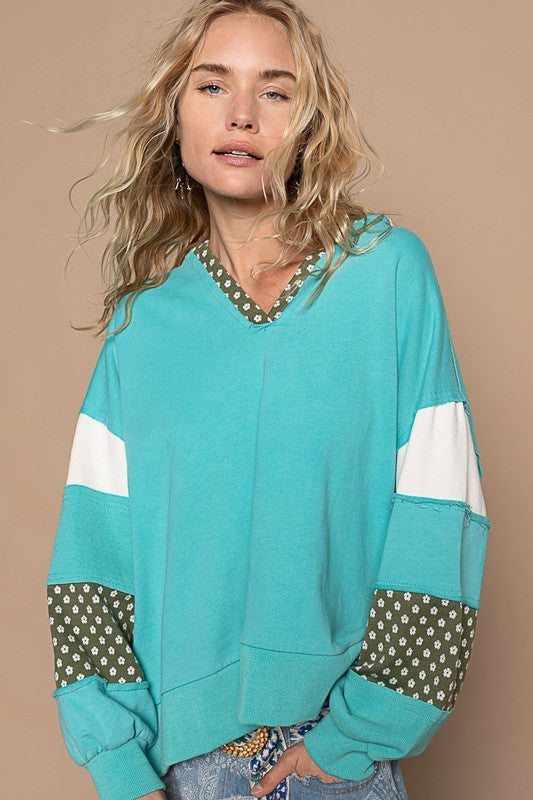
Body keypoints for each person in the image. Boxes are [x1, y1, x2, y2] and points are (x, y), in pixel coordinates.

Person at [44, 1, 491, 799]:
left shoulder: (386, 274)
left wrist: (359, 733)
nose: (242, 115)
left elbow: (440, 511)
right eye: (213, 85)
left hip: (334, 753)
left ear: (309, 122)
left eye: (275, 91)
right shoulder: (144, 320)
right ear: (175, 113)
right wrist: (119, 763)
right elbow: (92, 559)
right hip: (176, 764)